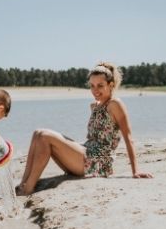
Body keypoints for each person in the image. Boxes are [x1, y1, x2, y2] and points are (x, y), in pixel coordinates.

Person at [16, 62, 152, 195]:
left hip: (98, 161)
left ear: (111, 85)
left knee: (45, 135)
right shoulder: (94, 106)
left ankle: (28, 188)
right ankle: (24, 183)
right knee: (37, 133)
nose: (95, 90)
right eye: (92, 86)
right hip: (86, 152)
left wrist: (135, 171)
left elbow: (128, 137)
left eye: (100, 86)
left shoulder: (115, 104)